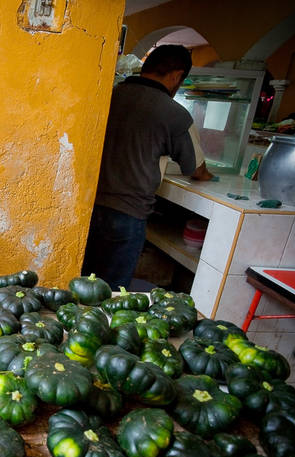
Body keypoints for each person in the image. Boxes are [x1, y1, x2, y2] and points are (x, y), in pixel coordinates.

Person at [82, 45, 197, 290]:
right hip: (128, 212)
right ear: (177, 76)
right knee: (111, 293)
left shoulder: (110, 95)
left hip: (88, 206)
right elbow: (195, 168)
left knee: (82, 284)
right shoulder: (174, 114)